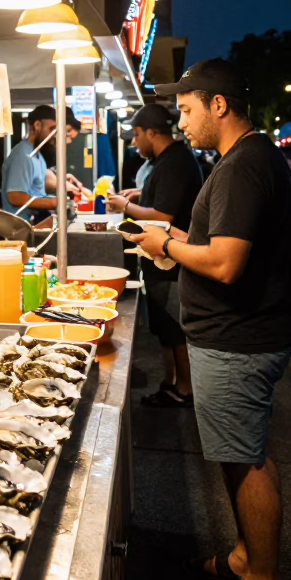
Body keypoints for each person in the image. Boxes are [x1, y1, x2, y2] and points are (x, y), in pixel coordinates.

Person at [129, 59, 291, 580]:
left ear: (218, 105)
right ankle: (247, 555)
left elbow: (225, 263)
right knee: (236, 452)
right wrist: (174, 235)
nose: (181, 121)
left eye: (187, 109)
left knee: (247, 461)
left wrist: (166, 247)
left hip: (238, 339)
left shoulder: (244, 164)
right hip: (233, 337)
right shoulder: (243, 158)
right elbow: (219, 239)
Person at [107, 104, 202, 408]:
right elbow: (162, 197)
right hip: (160, 261)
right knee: (163, 326)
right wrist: (137, 194)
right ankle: (170, 383)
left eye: (137, 134)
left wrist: (125, 206)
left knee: (174, 327)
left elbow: (163, 214)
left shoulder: (175, 162)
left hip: (172, 262)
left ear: (151, 132)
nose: (135, 142)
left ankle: (184, 389)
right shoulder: (166, 161)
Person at [1, 104, 58, 224]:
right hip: (18, 227)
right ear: (37, 125)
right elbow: (15, 196)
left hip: (33, 224)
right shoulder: (23, 155)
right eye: (51, 129)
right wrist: (51, 202)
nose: (54, 134)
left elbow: (36, 191)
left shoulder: (37, 155)